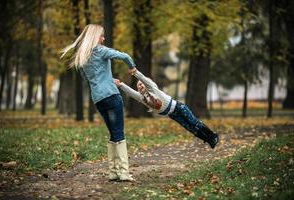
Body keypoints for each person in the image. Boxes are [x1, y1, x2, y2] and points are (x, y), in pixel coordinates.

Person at [61, 24, 136, 181]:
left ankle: (114, 172)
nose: (104, 38)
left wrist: (108, 80)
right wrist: (132, 69)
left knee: (113, 133)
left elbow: (89, 79)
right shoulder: (100, 50)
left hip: (99, 99)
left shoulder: (83, 57)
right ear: (95, 37)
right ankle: (123, 172)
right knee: (119, 133)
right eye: (101, 35)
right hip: (112, 96)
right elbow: (124, 56)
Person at [115, 69, 219, 149]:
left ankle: (212, 135)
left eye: (141, 84)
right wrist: (121, 85)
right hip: (172, 115)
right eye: (138, 85)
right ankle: (209, 140)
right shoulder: (142, 98)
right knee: (190, 128)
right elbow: (131, 93)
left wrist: (135, 73)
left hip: (179, 108)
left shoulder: (153, 89)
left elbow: (145, 80)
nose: (140, 86)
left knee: (193, 122)